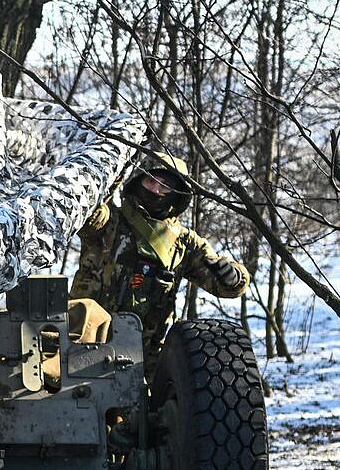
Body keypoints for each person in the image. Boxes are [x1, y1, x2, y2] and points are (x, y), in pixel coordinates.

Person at [69, 153, 249, 364]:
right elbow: (88, 210)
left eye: (165, 186)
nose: (155, 190)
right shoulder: (110, 220)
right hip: (87, 341)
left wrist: (234, 277)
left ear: (177, 195)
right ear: (138, 181)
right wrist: (115, 168)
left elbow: (225, 283)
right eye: (150, 180)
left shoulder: (184, 242)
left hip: (148, 354)